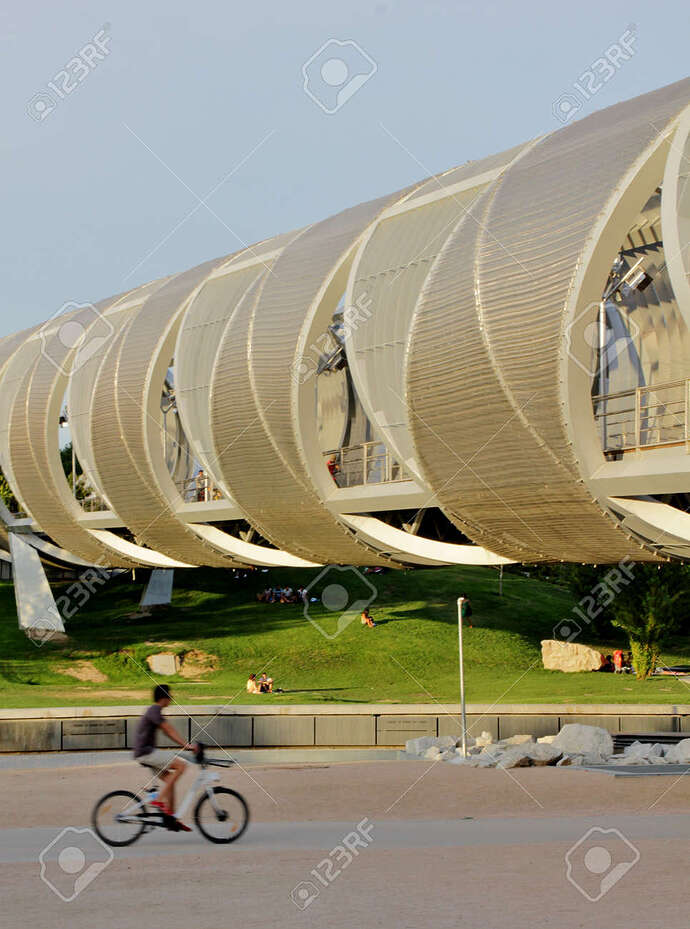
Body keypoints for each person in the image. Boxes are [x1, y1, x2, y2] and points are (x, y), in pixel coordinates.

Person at [132, 684, 197, 831]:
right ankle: (159, 800)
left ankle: (171, 818)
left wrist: (184, 745)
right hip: (146, 752)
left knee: (170, 781)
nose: (172, 698)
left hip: (145, 752)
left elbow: (168, 732)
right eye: (170, 695)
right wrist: (187, 746)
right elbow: (169, 730)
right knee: (182, 765)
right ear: (164, 698)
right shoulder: (154, 710)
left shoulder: (155, 711)